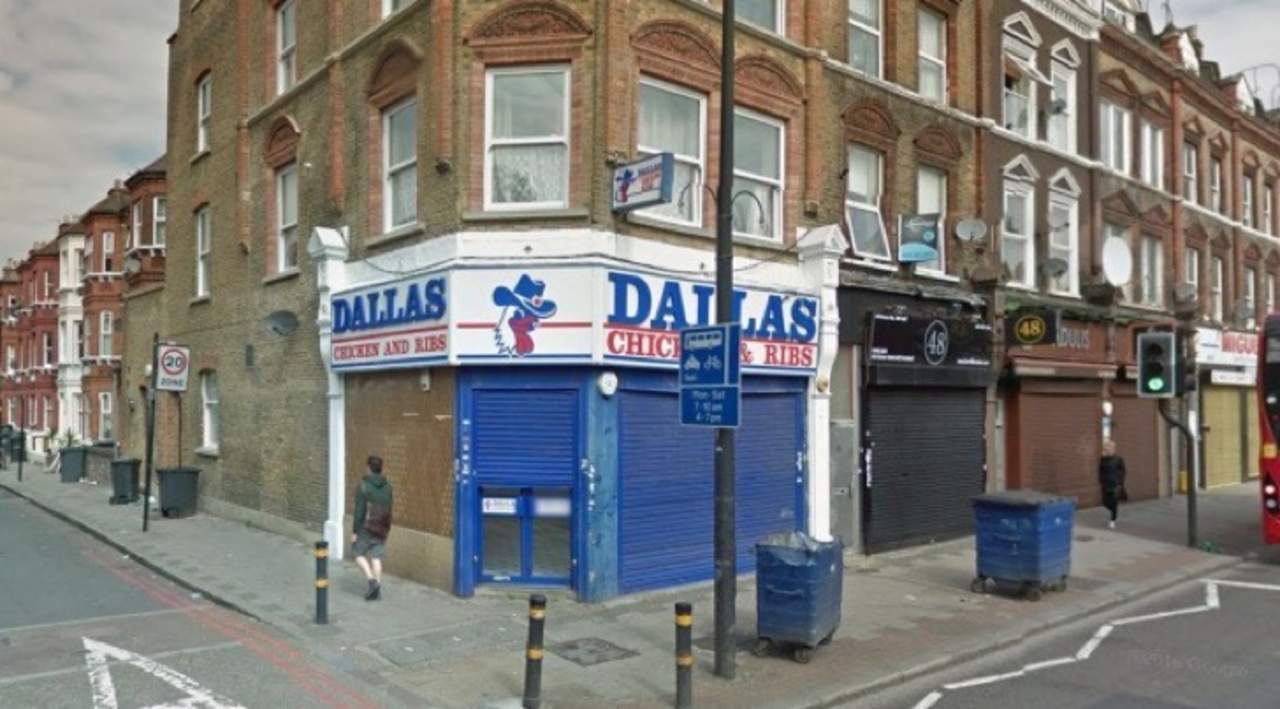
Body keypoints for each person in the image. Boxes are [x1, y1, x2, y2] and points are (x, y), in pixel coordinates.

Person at [352, 455, 393, 600]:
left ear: (368, 468)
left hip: (367, 526)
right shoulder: (388, 487)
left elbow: (359, 511)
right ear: (381, 468)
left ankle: (372, 581)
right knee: (376, 557)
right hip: (382, 525)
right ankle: (377, 590)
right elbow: (389, 507)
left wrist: (355, 531)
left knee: (358, 553)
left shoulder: (363, 486)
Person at [1099, 440, 1127, 530]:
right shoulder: (1103, 459)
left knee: (1114, 503)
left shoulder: (1118, 459)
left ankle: (1112, 520)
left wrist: (1120, 482)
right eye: (1106, 448)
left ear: (1113, 449)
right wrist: (1101, 481)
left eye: (1110, 447)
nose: (1108, 449)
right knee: (1105, 502)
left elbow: (1123, 471)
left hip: (1115, 484)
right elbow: (1100, 471)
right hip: (1106, 484)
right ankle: (1113, 510)